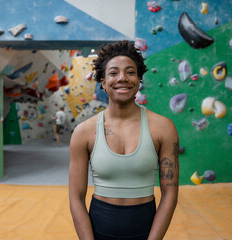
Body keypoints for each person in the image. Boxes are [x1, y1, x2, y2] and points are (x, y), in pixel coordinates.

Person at [69, 40, 179, 240]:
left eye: (130, 72)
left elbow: (170, 193)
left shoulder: (163, 128)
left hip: (146, 230)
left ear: (138, 80)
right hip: (98, 229)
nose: (122, 78)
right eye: (113, 73)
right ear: (102, 82)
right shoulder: (83, 132)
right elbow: (76, 198)